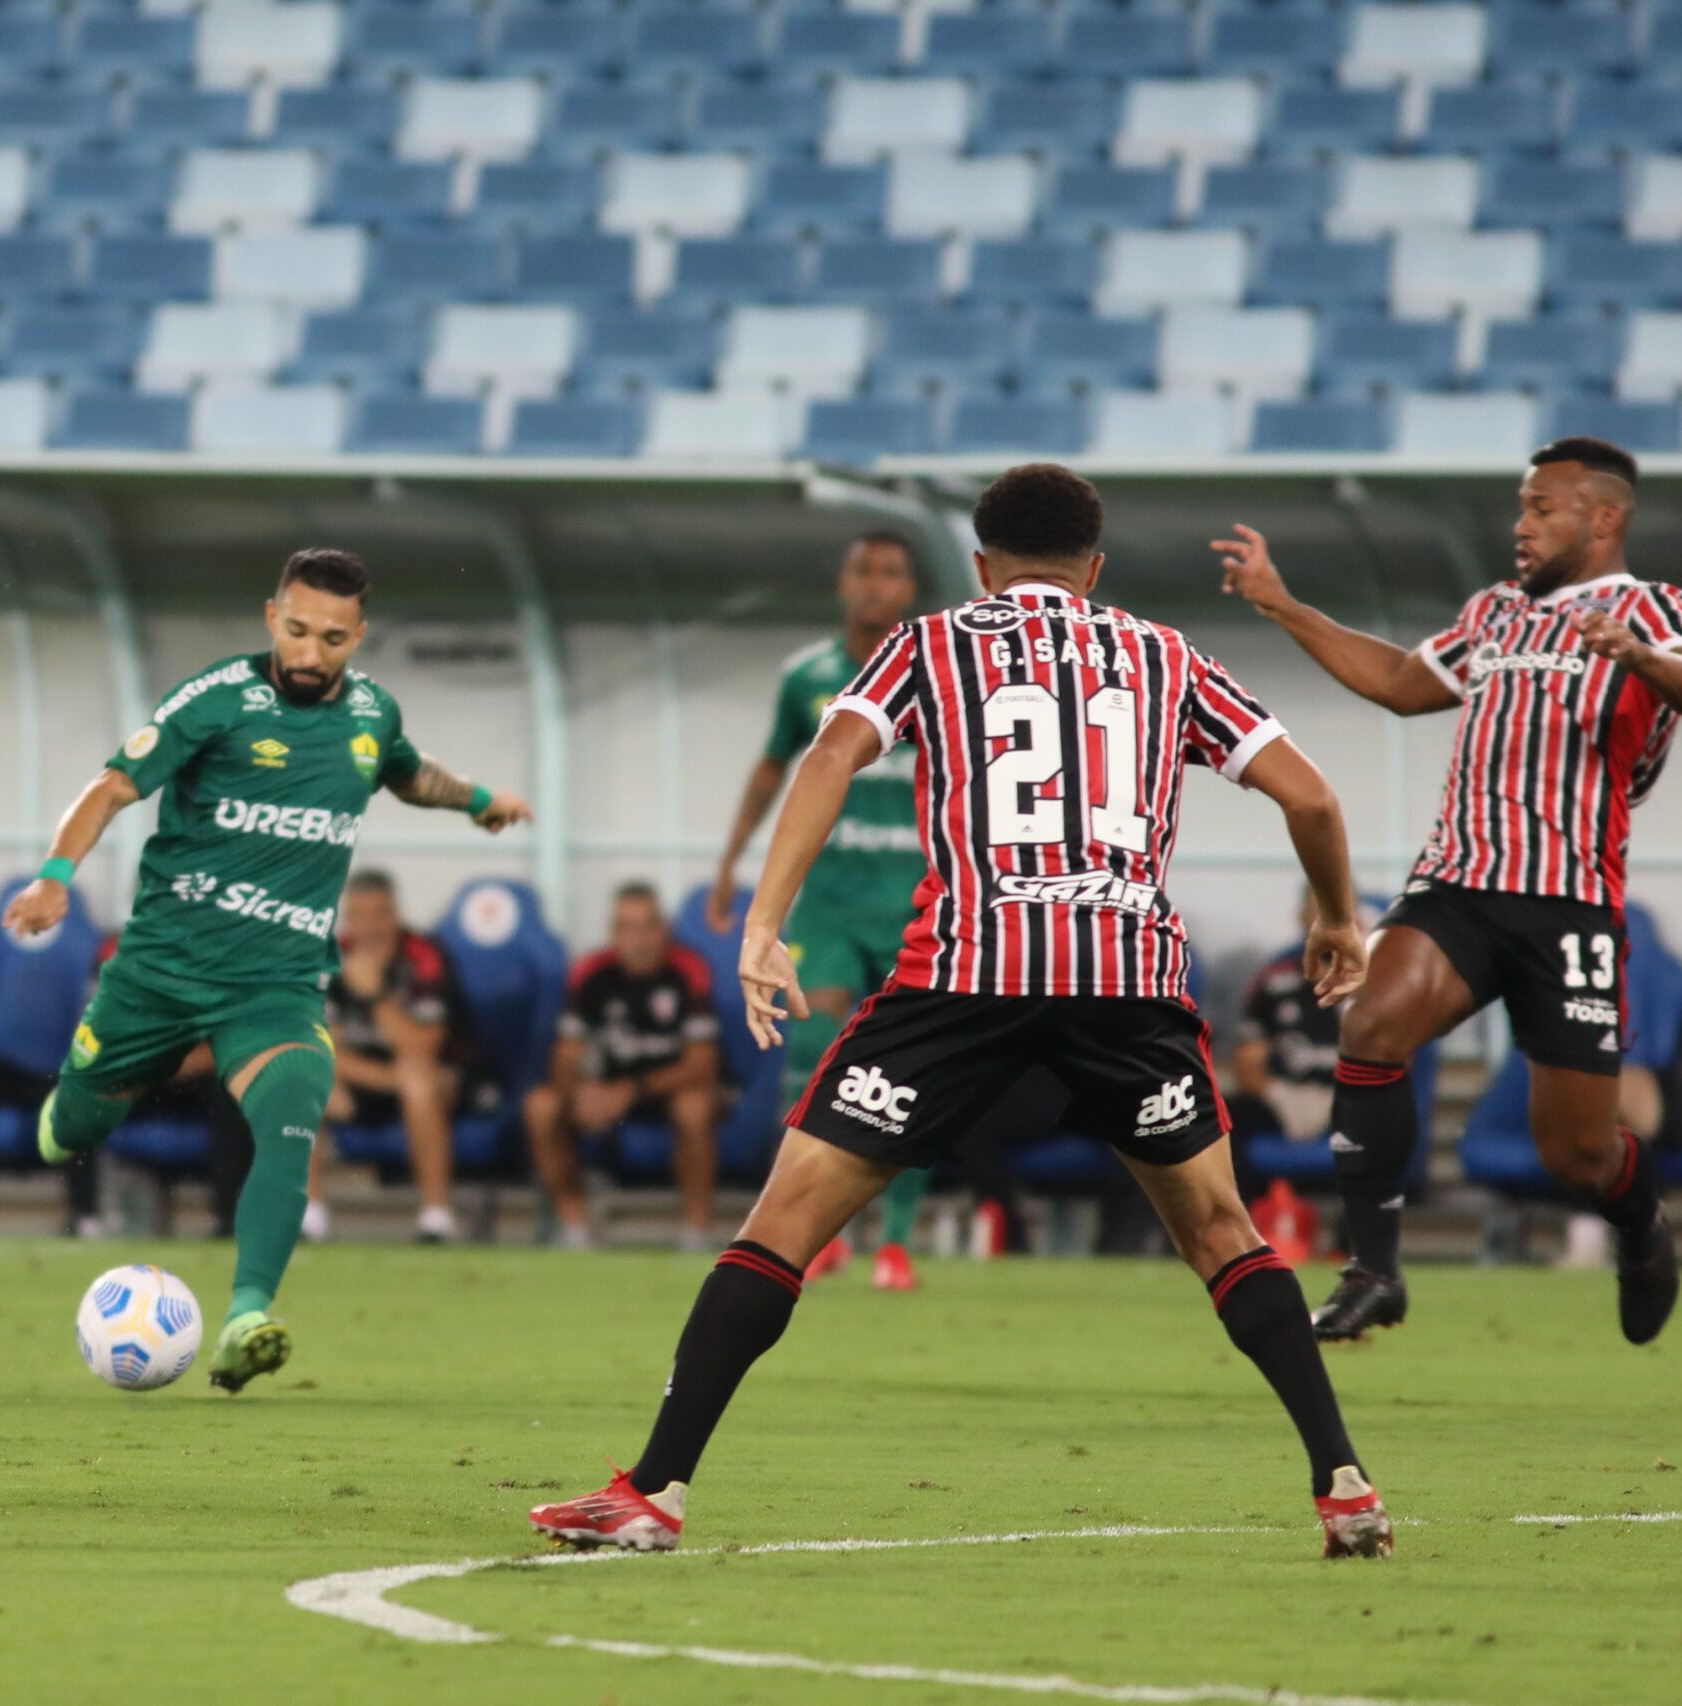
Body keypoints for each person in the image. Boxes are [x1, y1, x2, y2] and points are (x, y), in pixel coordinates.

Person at [531, 464, 1392, 1560]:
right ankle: (1343, 1481)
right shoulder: (1167, 654)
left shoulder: (932, 642)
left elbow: (831, 753)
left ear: (979, 564)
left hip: (964, 975)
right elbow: (1311, 794)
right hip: (1124, 980)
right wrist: (1334, 917)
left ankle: (652, 1490)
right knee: (1222, 1231)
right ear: (1098, 565)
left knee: (783, 1222)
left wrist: (764, 921)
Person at [1216, 437, 1682, 1344]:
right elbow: (1401, 683)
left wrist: (1638, 655)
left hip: (1570, 901)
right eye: (1522, 507)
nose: (1520, 526)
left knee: (1575, 1152)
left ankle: (1640, 1224)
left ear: (1604, 518)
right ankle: (1375, 1269)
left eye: (1542, 508)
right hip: (1460, 880)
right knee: (1372, 1025)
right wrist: (1282, 604)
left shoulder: (1652, 608)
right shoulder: (1495, 612)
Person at [3, 549, 532, 1392]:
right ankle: (78, 1103)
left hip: (276, 983)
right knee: (74, 1131)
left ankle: (247, 1315)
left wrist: (477, 799)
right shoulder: (218, 699)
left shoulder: (372, 715)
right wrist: (54, 877)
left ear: (358, 636)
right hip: (162, 973)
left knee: (294, 1106)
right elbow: (109, 787)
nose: (310, 653)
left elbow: (408, 773)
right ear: (270, 617)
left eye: (331, 637)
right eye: (296, 630)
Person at [709, 533, 931, 1290]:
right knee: (818, 1065)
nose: (874, 584)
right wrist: (730, 861)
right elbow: (775, 767)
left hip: (915, 903)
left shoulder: (933, 671)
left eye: (890, 572)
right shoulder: (807, 677)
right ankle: (817, 1234)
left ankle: (896, 1244)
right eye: (863, 570)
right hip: (830, 905)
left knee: (909, 1076)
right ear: (843, 583)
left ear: (908, 589)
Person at [526, 884, 724, 1250]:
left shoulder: (689, 971)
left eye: (648, 926)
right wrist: (581, 1091)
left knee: (694, 1107)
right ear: (613, 933)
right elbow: (566, 1055)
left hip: (666, 1089)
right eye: (627, 928)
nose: (640, 939)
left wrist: (631, 1091)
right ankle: (575, 1228)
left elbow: (702, 1065)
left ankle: (697, 1232)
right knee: (541, 1106)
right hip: (603, 1090)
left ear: (664, 929)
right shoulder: (591, 972)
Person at [307, 868, 476, 1246]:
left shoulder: (425, 956)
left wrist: (374, 995)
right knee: (300, 1076)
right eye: (357, 917)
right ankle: (310, 1218)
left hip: (435, 1086)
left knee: (418, 1080)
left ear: (394, 915)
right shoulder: (328, 957)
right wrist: (386, 1078)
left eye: (377, 916)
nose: (367, 928)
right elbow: (319, 1045)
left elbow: (423, 1048)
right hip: (362, 1083)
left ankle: (436, 1216)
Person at [1230, 886, 1342, 1148]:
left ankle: (1384, 1190)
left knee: (1384, 1112)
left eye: (1339, 912)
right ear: (1302, 916)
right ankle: (1237, 1190)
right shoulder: (1273, 981)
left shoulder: (1373, 984)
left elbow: (1398, 1058)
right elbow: (1248, 1061)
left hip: (1350, 1098)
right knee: (1224, 1115)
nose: (1329, 920)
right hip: (1285, 1094)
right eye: (1320, 911)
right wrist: (1278, 1094)